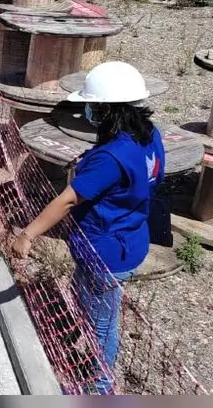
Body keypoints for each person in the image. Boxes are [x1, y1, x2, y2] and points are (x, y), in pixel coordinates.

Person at [11, 61, 163, 395]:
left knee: (103, 322)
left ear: (108, 109)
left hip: (104, 251)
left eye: (93, 107)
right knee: (95, 307)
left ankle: (99, 385)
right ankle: (91, 350)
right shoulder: (150, 136)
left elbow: (67, 200)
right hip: (132, 237)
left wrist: (27, 235)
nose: (89, 113)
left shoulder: (110, 158)